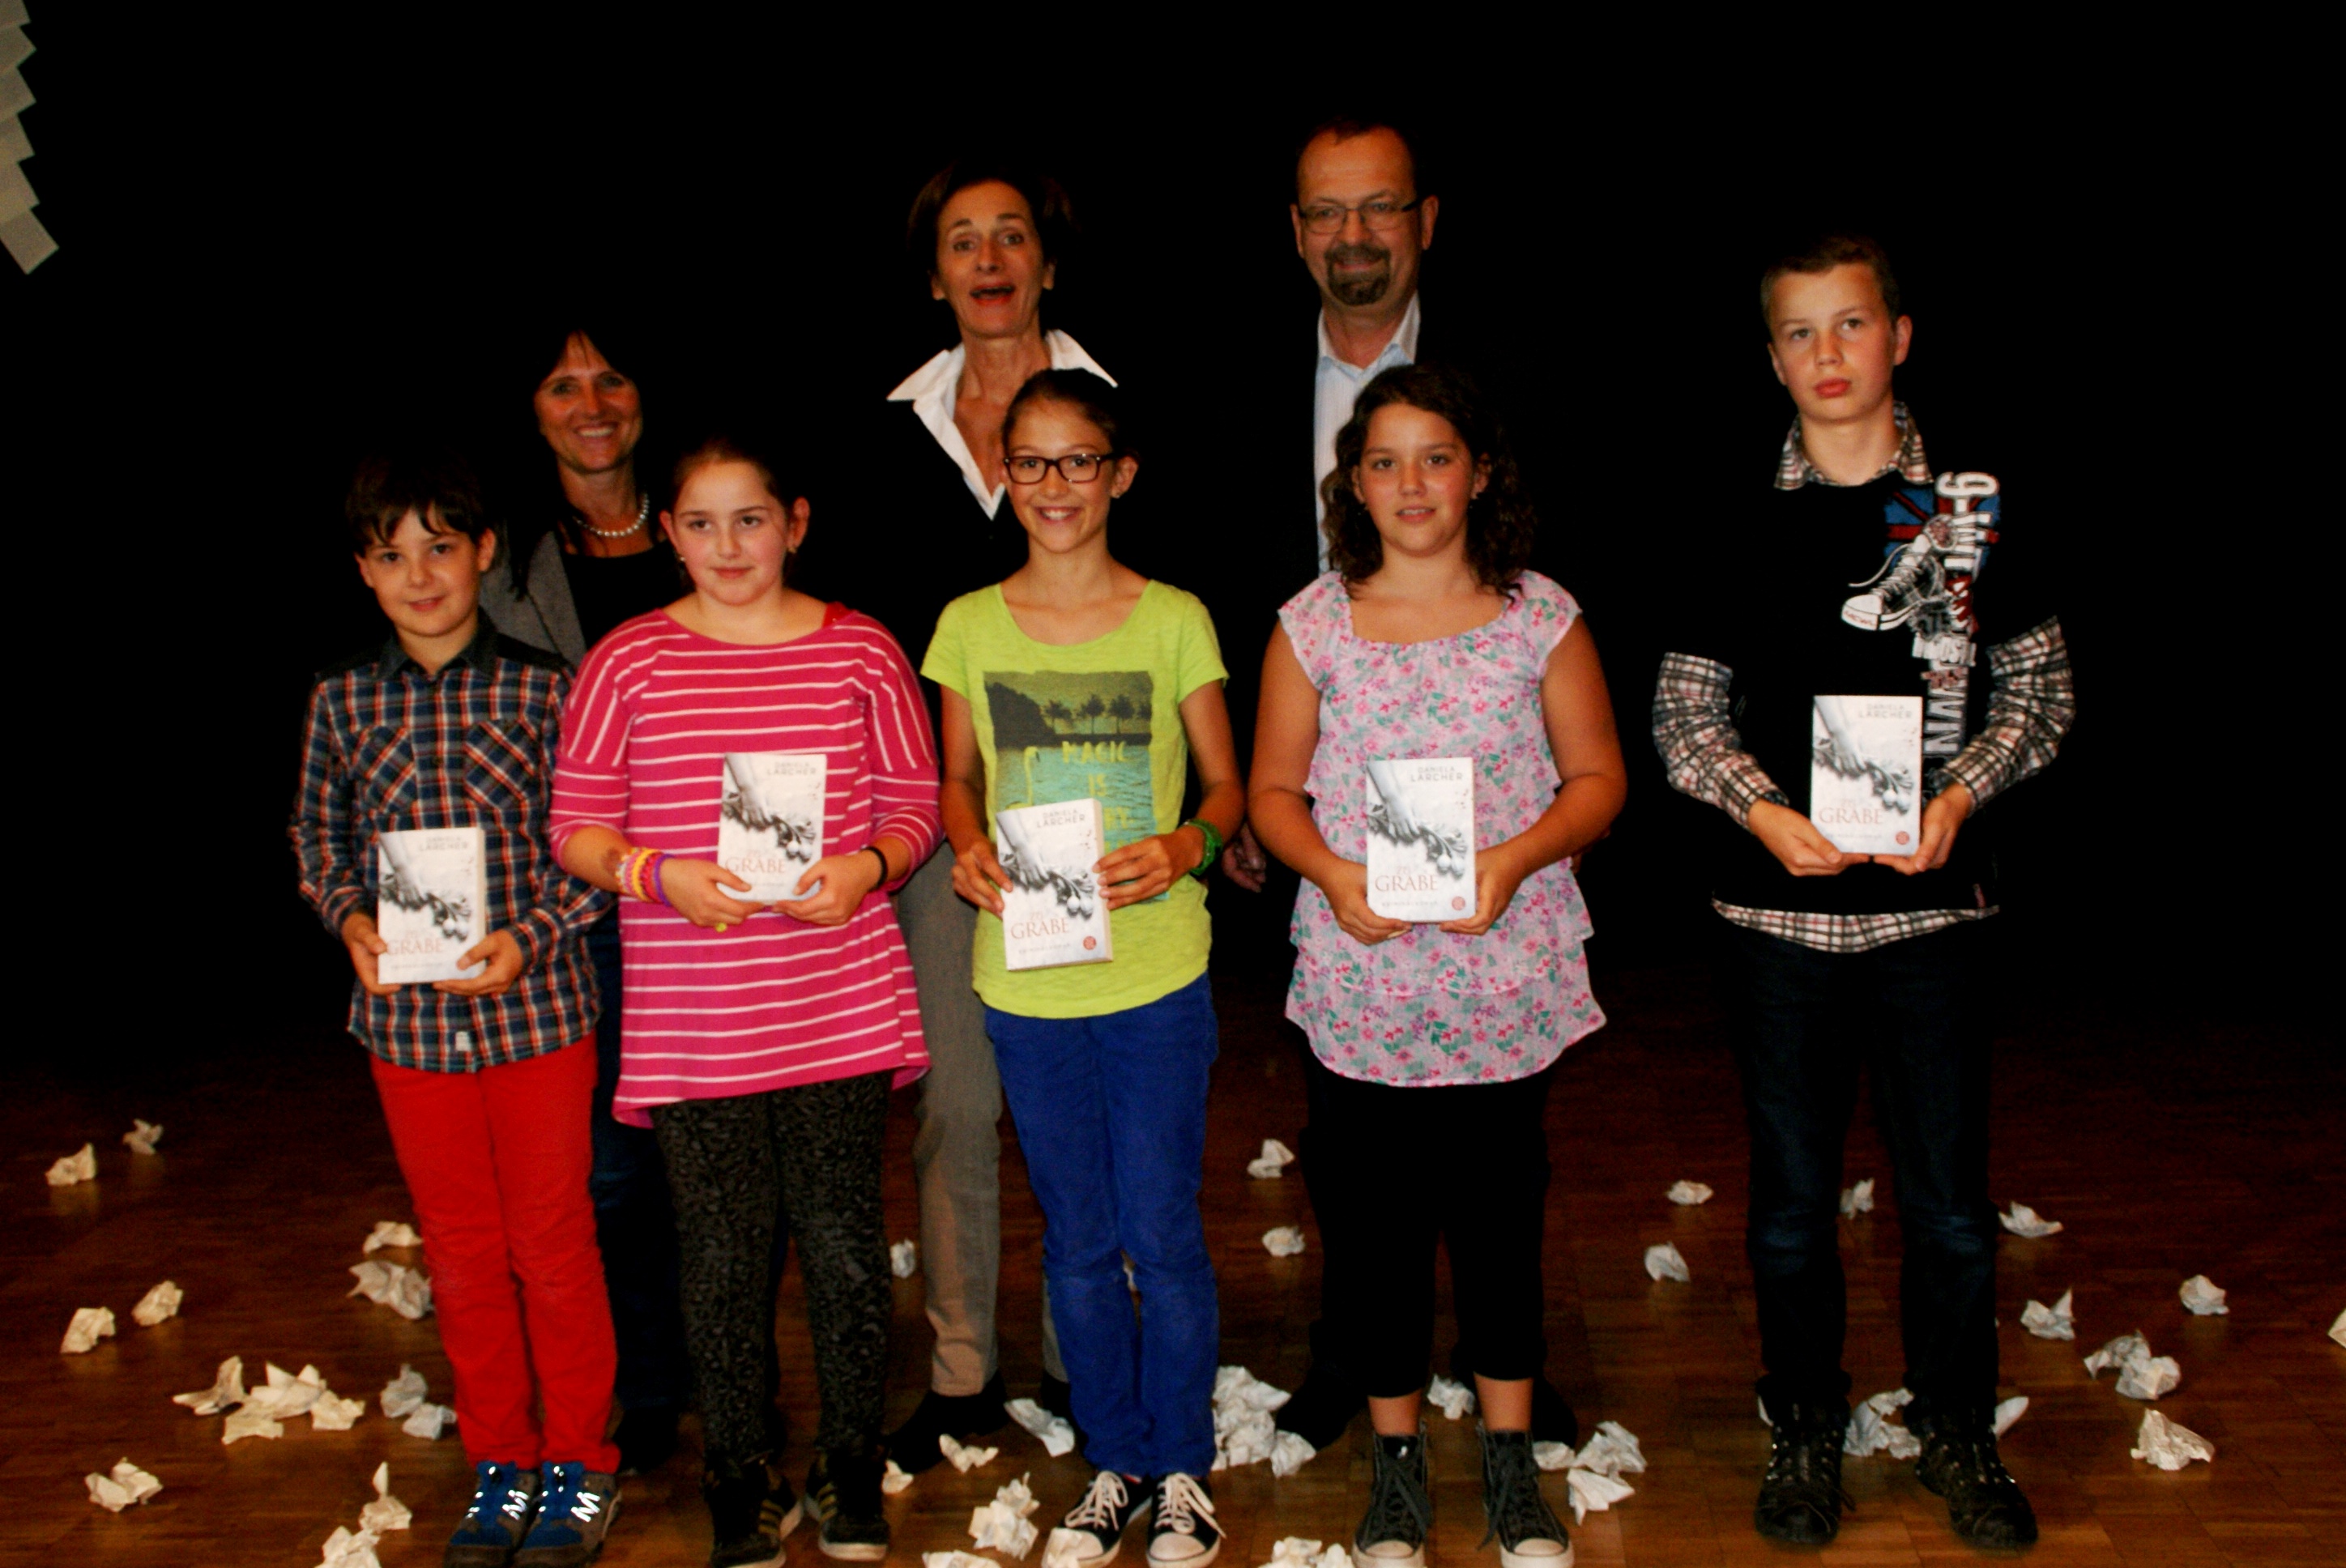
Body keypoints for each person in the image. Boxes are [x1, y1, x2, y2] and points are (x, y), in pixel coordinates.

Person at [1652, 233, 2074, 1550]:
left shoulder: (1972, 510)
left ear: (1900, 336)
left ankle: (1955, 1427)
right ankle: (1804, 1427)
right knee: (1789, 1211)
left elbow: (2042, 694)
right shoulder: (1732, 512)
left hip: (1937, 920)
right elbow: (1682, 713)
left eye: (1850, 325)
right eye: (1799, 331)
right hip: (1776, 922)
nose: (1827, 354)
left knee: (1949, 1209)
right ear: (1771, 357)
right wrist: (1762, 812)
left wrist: (1960, 798)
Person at [1249, 364, 1624, 1568]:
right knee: (1377, 1235)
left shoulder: (1539, 614)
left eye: (1436, 457)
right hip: (1364, 986)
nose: (1411, 484)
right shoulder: (1314, 623)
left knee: (1503, 1223)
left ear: (1480, 473)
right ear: (1353, 484)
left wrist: (1513, 861)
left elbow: (1599, 781)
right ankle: (1397, 1461)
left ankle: (1510, 1458)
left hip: (1502, 979)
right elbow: (1270, 793)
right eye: (1385, 461)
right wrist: (1330, 871)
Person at [548, 435, 941, 1567]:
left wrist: (867, 869)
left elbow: (916, 802)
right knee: (720, 1256)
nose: (727, 546)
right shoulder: (627, 661)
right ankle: (738, 1475)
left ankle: (850, 1463)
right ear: (667, 533)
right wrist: (653, 874)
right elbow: (574, 825)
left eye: (751, 519)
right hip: (698, 1021)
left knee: (845, 1246)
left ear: (795, 523)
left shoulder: (862, 649)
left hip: (837, 1004)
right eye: (701, 523)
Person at [1252, 115, 1580, 1459]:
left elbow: (1579, 723)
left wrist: (1521, 839)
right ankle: (1358, 1362)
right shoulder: (1240, 379)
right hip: (1321, 822)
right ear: (1296, 232)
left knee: (1499, 1170)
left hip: (1495, 868)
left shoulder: (1509, 374)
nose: (1354, 236)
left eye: (1379, 206)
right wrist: (1263, 809)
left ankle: (1504, 1372)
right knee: (1353, 1156)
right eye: (1328, 212)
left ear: (1425, 221)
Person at [795, 157, 1103, 1466]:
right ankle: (965, 1371)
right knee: (959, 1107)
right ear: (935, 277)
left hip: (1096, 827)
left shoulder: (1112, 416)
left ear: (1047, 262)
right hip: (938, 830)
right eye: (963, 241)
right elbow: (853, 645)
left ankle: (1090, 1359)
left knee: (1083, 1110)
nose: (989, 259)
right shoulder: (879, 436)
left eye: (1012, 235)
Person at [924, 370, 1243, 1568]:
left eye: (1080, 460)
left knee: (1161, 1229)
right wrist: (965, 844)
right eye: (1033, 461)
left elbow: (1225, 785)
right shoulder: (967, 622)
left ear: (1121, 474)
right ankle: (1115, 1460)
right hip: (1029, 977)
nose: (1055, 485)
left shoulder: (1176, 617)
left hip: (1156, 972)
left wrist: (1187, 845)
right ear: (1002, 473)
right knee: (1075, 1236)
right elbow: (959, 779)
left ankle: (1183, 1468)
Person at [292, 451, 624, 1568]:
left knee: (555, 1246)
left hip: (538, 1016)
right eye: (392, 556)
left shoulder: (547, 688)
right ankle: (501, 1463)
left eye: (441, 547)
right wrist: (351, 920)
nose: (421, 575)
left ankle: (580, 1463)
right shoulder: (342, 698)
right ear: (363, 571)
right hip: (410, 1030)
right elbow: (318, 837)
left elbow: (596, 847)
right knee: (464, 1253)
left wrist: (529, 937)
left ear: (484, 553)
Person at [479, 320, 697, 1478]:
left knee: (720, 1155)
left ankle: (726, 1368)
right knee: (614, 1166)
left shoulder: (708, 526)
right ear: (532, 410)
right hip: (588, 908)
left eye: (611, 376)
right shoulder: (503, 567)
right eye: (562, 384)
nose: (592, 403)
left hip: (722, 901)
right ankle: (649, 1381)